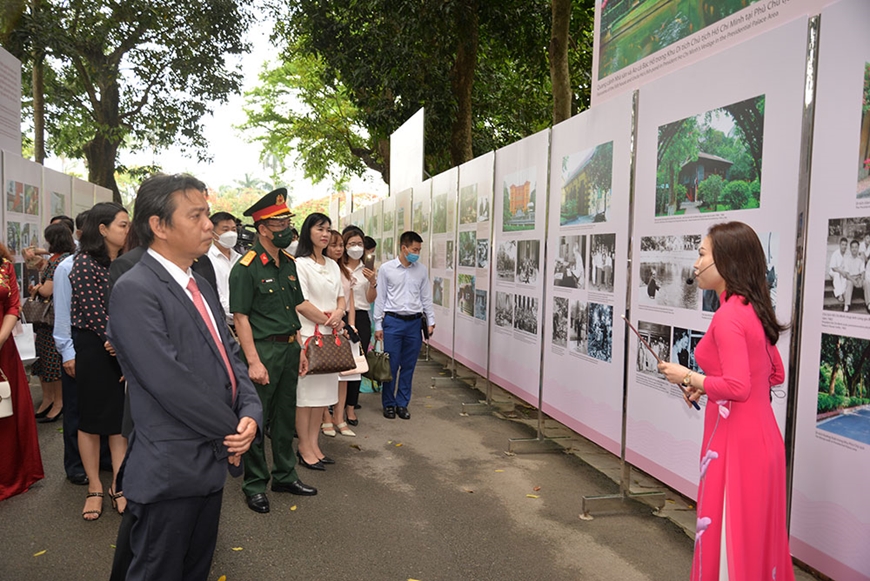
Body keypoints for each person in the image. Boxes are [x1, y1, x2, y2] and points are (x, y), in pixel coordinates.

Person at [107, 173, 262, 581]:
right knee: (157, 570)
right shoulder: (135, 288)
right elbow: (169, 382)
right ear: (159, 226)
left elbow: (231, 357)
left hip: (209, 461)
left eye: (207, 214)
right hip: (171, 469)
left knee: (194, 568)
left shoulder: (200, 282)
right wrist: (234, 431)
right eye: (196, 216)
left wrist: (251, 412)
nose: (209, 225)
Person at [657, 221, 794, 581]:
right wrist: (708, 386)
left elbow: (738, 386)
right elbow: (772, 374)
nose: (696, 263)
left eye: (702, 254)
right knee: (755, 547)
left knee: (730, 551)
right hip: (763, 443)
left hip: (738, 450)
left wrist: (687, 376)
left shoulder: (731, 315)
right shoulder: (751, 309)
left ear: (727, 261)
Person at [230, 188, 319, 514]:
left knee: (283, 420)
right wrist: (253, 361)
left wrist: (300, 348)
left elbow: (292, 308)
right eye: (278, 223)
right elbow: (241, 318)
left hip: (289, 349)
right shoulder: (247, 267)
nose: (286, 229)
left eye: (287, 221)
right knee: (256, 420)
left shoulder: (289, 264)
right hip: (262, 352)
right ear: (262, 228)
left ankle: (284, 474)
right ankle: (254, 484)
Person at [69, 202, 130, 520]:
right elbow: (94, 313)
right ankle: (94, 486)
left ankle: (118, 484)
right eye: (122, 224)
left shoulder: (128, 262)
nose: (127, 230)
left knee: (119, 422)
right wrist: (117, 345)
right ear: (103, 229)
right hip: (95, 347)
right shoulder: (84, 263)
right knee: (92, 421)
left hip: (124, 346)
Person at [294, 214, 345, 468]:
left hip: (330, 338)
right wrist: (329, 320)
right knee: (305, 399)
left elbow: (341, 298)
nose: (325, 234)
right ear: (308, 232)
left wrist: (339, 314)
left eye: (328, 229)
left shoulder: (333, 265)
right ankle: (304, 448)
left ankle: (315, 445)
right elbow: (301, 303)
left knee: (322, 398)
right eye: (320, 229)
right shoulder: (299, 264)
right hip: (309, 336)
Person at [374, 231, 435, 420]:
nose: (417, 253)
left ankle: (402, 403)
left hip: (414, 323)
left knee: (408, 366)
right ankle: (388, 403)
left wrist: (430, 321)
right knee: (391, 365)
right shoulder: (387, 269)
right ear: (404, 248)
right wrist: (378, 324)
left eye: (419, 250)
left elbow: (426, 296)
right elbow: (381, 297)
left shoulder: (421, 270)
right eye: (414, 249)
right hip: (393, 321)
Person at [0, 241, 44, 501]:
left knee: (4, 411)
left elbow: (12, 307)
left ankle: (8, 474)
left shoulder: (5, 267)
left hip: (3, 351)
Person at [31, 223, 76, 423]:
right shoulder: (61, 259)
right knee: (45, 363)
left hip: (51, 320)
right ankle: (49, 401)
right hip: (48, 321)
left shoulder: (60, 262)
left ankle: (57, 403)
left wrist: (37, 288)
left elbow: (48, 291)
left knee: (53, 365)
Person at [321, 229, 363, 436]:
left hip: (346, 327)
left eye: (340, 245)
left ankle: (339, 417)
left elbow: (350, 302)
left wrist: (351, 325)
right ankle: (325, 418)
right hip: (326, 324)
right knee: (327, 373)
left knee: (346, 375)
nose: (337, 249)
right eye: (333, 245)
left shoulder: (346, 271)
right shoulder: (321, 270)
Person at [342, 227, 377, 425]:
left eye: (359, 244)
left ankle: (351, 407)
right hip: (340, 316)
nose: (356, 248)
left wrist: (372, 282)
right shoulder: (338, 266)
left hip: (362, 317)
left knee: (356, 365)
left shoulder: (367, 268)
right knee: (337, 363)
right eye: (351, 244)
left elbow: (370, 298)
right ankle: (334, 406)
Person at [207, 211, 241, 325]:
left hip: (247, 321)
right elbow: (215, 294)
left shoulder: (241, 259)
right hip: (224, 322)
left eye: (234, 229)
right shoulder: (207, 260)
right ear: (212, 233)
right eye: (225, 230)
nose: (231, 234)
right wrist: (237, 313)